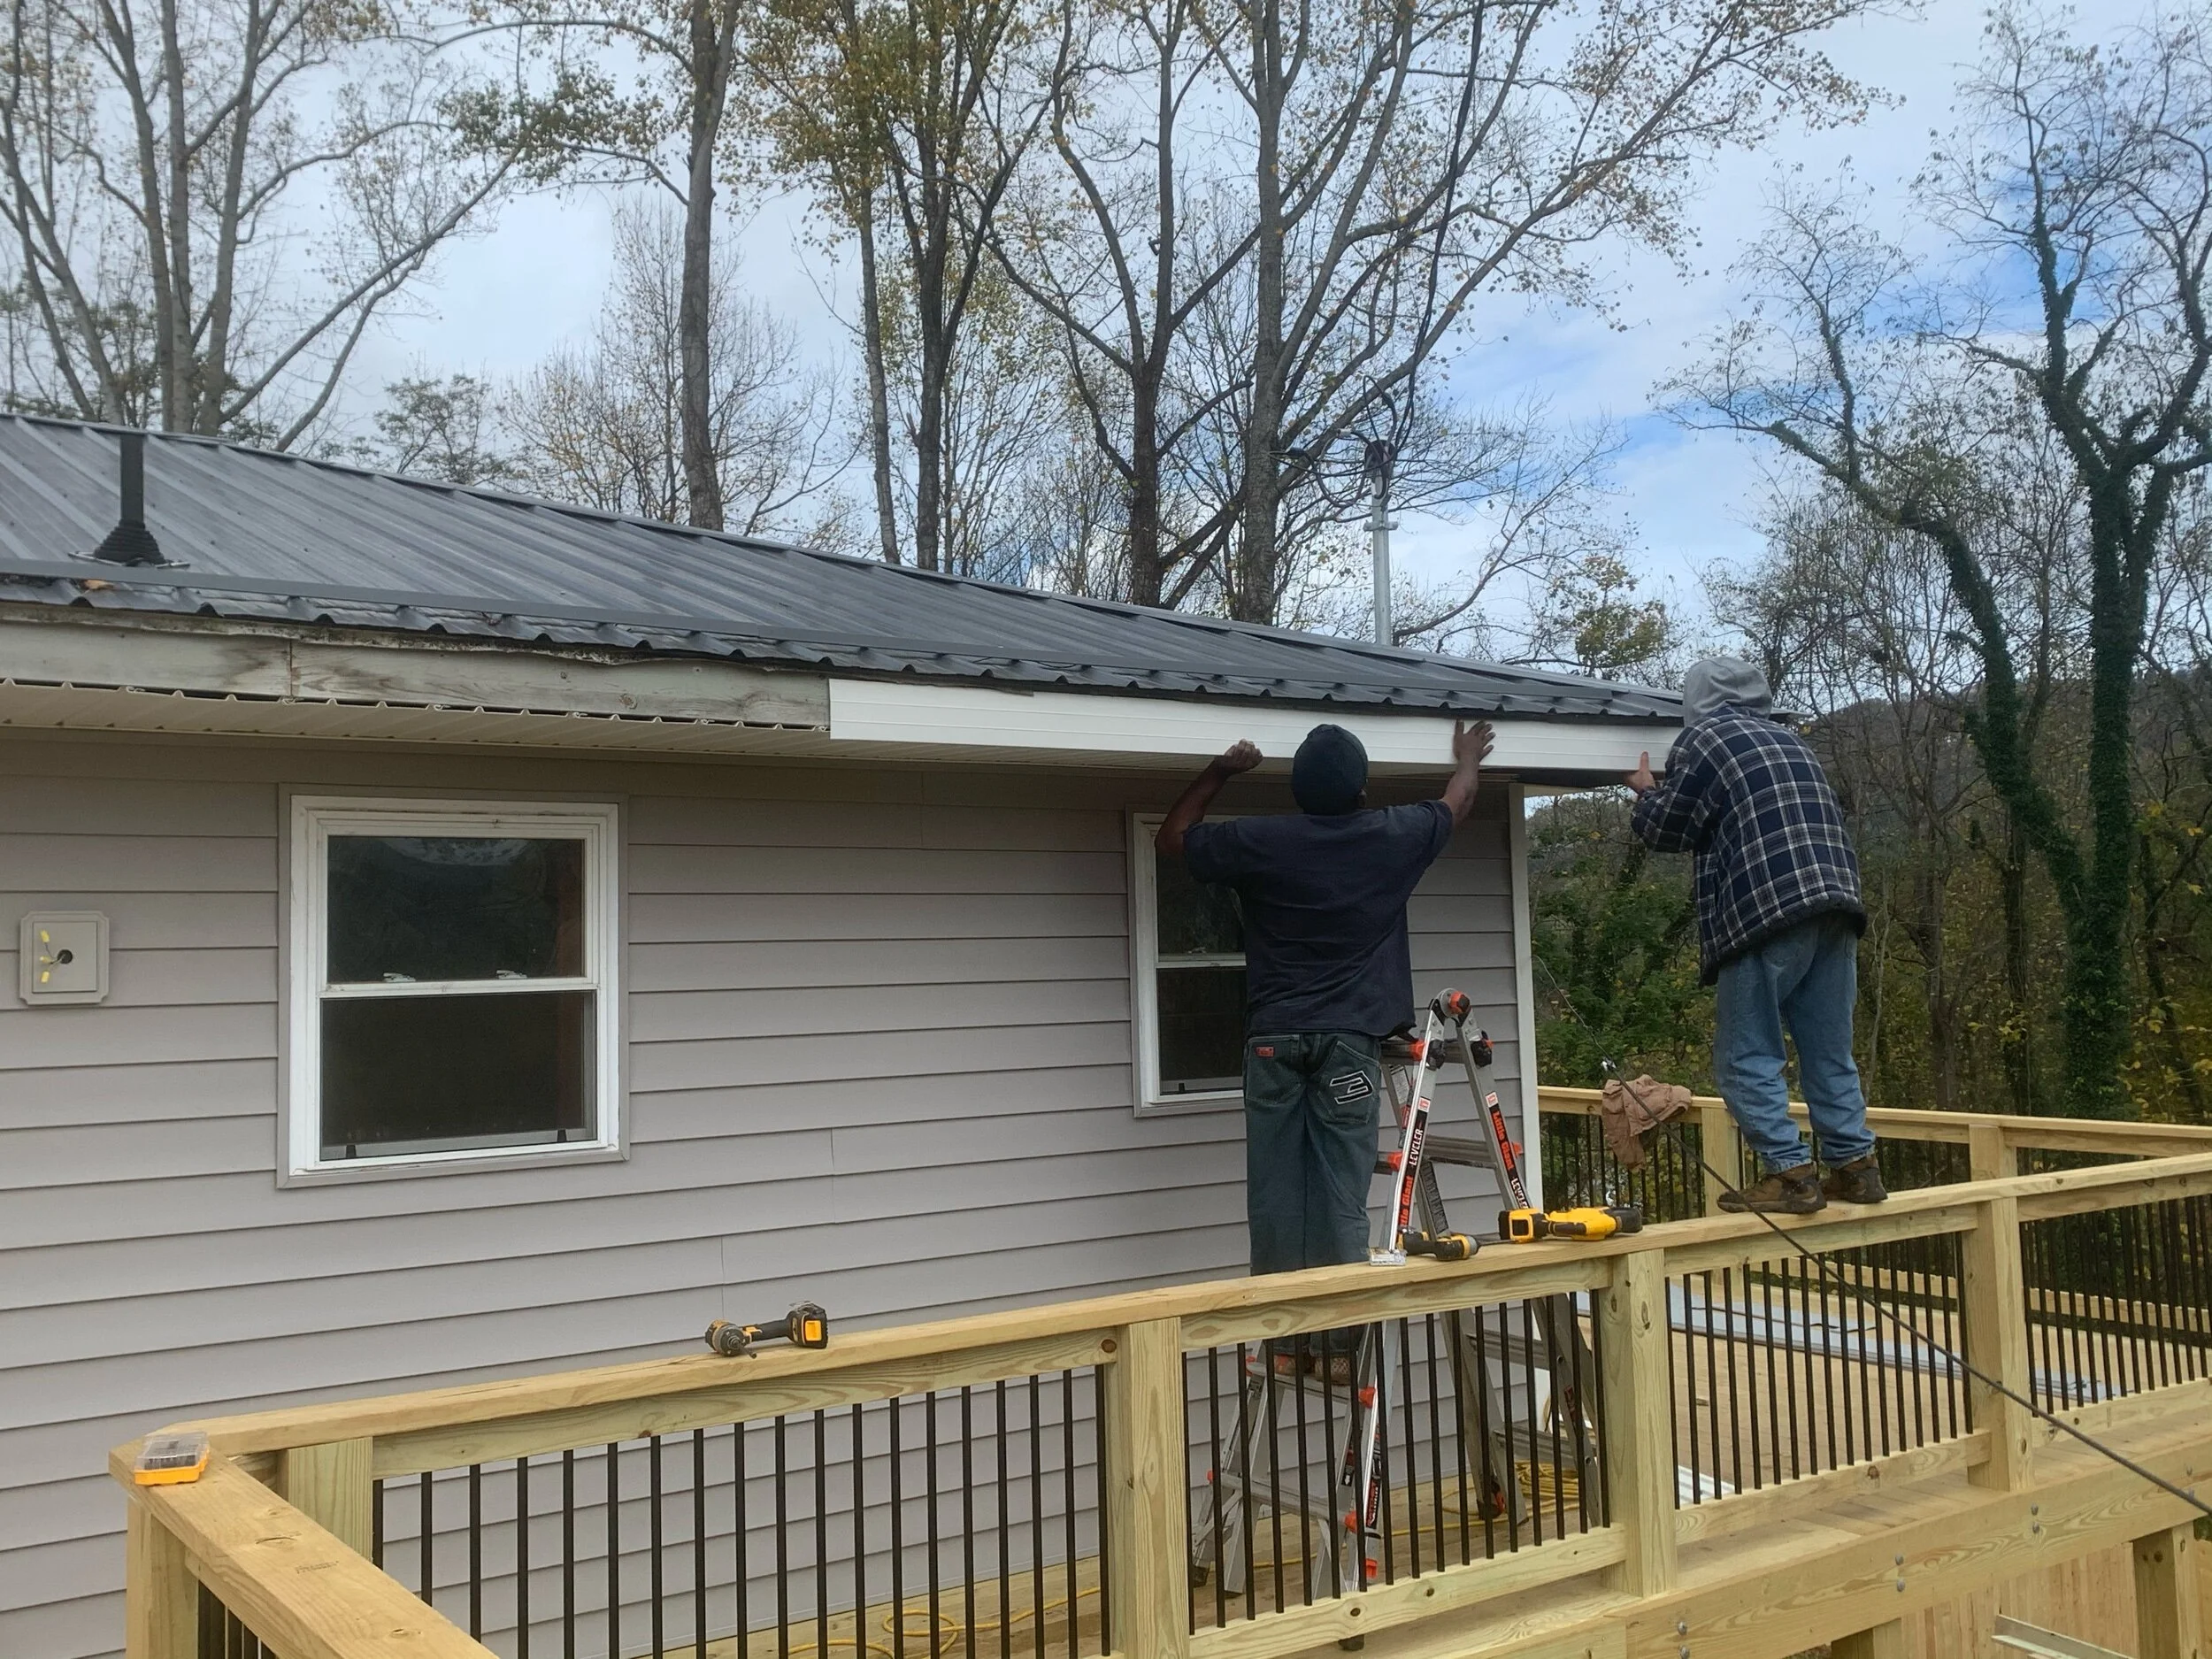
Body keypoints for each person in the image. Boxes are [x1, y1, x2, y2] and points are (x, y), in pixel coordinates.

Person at [1156, 718, 1494, 1374]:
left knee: (1277, 1195)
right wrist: (1467, 757)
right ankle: (1339, 1349)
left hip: (1273, 1044)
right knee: (1340, 1192)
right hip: (1348, 1044)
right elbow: (1461, 801)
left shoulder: (1263, 839)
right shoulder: (1390, 835)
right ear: (1362, 788)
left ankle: (1284, 1343)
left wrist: (1220, 771)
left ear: (1300, 789)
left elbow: (1173, 838)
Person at [1626, 657, 1885, 1214]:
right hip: (1837, 904)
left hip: (1766, 909)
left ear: (1696, 701)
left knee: (1747, 1056)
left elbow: (1670, 828)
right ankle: (1857, 1169)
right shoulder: (1792, 742)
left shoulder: (1707, 739)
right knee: (1828, 1049)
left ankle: (1792, 1177)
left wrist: (1646, 793)